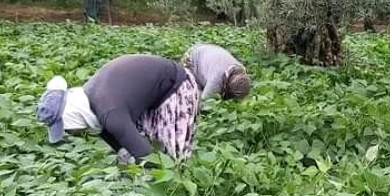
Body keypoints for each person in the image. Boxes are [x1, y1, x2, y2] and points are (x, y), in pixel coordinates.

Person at [36, 54, 201, 163]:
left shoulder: (110, 113)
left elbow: (146, 157)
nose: (71, 133)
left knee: (174, 159)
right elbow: (116, 141)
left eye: (68, 128)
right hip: (151, 94)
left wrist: (144, 170)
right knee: (149, 144)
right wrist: (126, 156)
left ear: (72, 116)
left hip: (176, 86)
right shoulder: (91, 104)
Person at [182, 43, 252, 101]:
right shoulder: (216, 81)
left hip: (208, 48)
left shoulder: (241, 68)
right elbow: (204, 102)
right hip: (191, 57)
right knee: (193, 95)